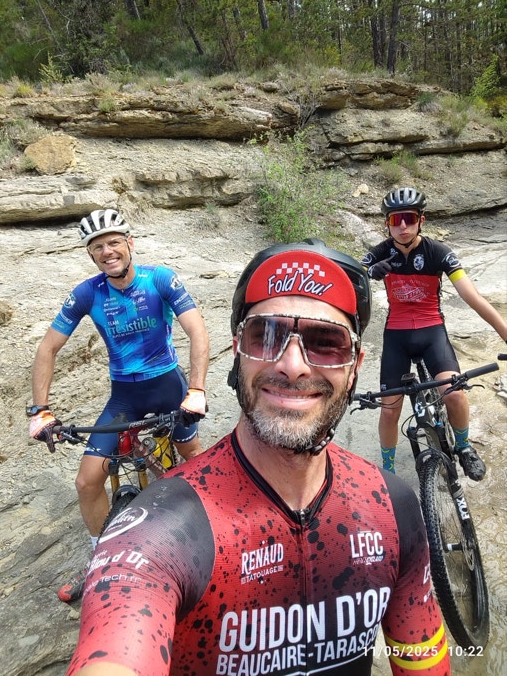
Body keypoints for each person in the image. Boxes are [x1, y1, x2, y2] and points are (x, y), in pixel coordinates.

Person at [66, 239, 451, 676]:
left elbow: (424, 660)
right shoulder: (162, 530)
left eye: (326, 342)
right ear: (237, 351)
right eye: (265, 336)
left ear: (355, 366)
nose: (293, 365)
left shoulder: (394, 508)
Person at [28, 208, 209, 603]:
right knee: (87, 481)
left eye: (113, 242)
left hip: (168, 386)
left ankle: (213, 528)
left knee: (192, 455)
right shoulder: (88, 293)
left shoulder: (160, 279)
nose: (107, 251)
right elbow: (47, 348)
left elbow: (197, 331)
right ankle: (99, 556)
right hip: (124, 395)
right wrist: (40, 410)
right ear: (91, 254)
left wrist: (196, 390)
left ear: (130, 243)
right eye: (98, 247)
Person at [361, 187, 507, 480]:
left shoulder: (439, 253)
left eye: (410, 218)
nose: (403, 226)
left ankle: (464, 447)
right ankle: (388, 472)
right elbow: (347, 279)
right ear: (387, 223)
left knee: (454, 394)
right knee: (389, 410)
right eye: (396, 220)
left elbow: (472, 297)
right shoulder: (379, 253)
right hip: (397, 334)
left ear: (421, 221)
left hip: (431, 331)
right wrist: (366, 275)